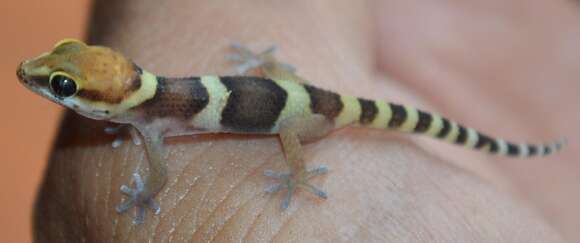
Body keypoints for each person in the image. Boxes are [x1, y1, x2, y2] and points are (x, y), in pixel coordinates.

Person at [35, 0, 578, 242]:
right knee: (278, 100)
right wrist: (267, 70)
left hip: (307, 117)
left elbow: (160, 178)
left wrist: (141, 198)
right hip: (290, 89)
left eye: (62, 86)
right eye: (63, 79)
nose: (42, 81)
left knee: (288, 129)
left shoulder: (152, 123)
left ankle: (297, 167)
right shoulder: (156, 105)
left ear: (106, 104)